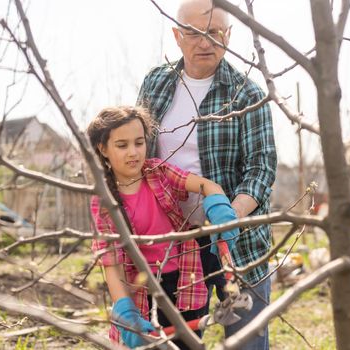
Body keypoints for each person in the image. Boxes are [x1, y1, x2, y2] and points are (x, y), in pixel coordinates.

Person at [137, 0, 277, 348]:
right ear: (177, 36)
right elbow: (138, 152)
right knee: (178, 342)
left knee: (246, 339)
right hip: (174, 243)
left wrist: (229, 216)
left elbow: (261, 167)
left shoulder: (248, 94)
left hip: (237, 244)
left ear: (228, 36)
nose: (205, 42)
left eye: (215, 33)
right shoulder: (155, 84)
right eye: (194, 33)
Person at [87, 106, 239, 349]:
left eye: (139, 142)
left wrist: (219, 207)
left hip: (185, 283)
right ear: (102, 149)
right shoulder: (104, 202)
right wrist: (125, 313)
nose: (133, 152)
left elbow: (207, 186)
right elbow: (112, 266)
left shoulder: (158, 172)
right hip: (144, 294)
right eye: (122, 145)